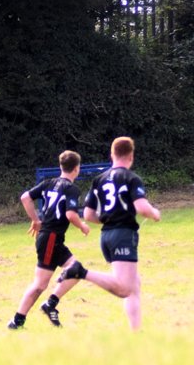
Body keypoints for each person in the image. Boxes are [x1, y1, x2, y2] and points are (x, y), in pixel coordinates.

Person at [57, 136, 161, 330]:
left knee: (134, 285)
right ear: (131, 156)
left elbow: (88, 214)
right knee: (124, 288)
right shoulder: (131, 178)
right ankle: (81, 272)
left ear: (112, 155)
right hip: (123, 235)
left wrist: (107, 219)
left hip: (106, 236)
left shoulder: (99, 179)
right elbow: (142, 208)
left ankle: (136, 332)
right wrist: (155, 213)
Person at [9, 151, 90, 330]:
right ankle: (19, 320)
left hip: (51, 238)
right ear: (77, 169)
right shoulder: (71, 189)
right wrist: (82, 226)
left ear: (61, 166)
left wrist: (35, 219)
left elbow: (25, 197)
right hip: (51, 238)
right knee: (40, 284)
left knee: (76, 270)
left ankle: (45, 306)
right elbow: (71, 214)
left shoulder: (48, 183)